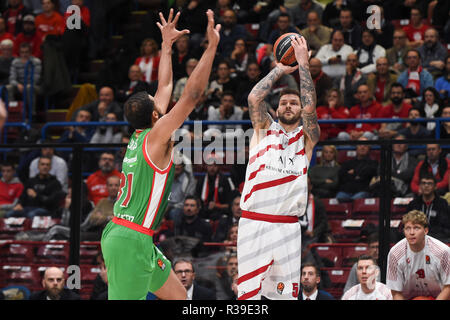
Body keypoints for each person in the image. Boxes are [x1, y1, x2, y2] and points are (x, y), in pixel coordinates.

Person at [101, 9, 220, 300]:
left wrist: (166, 46)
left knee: (181, 299)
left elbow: (165, 85)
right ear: (156, 115)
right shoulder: (156, 136)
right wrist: (212, 47)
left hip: (130, 235)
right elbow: (191, 96)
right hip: (131, 239)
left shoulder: (141, 135)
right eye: (158, 105)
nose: (161, 99)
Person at [237, 35, 319, 300]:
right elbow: (253, 97)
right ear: (277, 107)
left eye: (293, 103)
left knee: (283, 297)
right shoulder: (264, 129)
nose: (288, 105)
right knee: (248, 296)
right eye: (284, 102)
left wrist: (304, 65)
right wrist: (281, 69)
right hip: (253, 222)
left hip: (287, 227)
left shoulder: (307, 138)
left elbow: (310, 106)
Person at [386, 210, 450, 300]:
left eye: (416, 228)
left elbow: (448, 287)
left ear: (426, 230)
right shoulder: (395, 254)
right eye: (408, 228)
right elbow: (396, 293)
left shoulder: (443, 251)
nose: (411, 232)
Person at [43, 175, 119, 241]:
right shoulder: (102, 202)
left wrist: (104, 217)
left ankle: (40, 247)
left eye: (116, 185)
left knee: (57, 230)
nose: (113, 188)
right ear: (107, 187)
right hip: (91, 231)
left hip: (99, 233)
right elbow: (93, 219)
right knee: (58, 235)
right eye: (111, 185)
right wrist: (66, 209)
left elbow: (85, 226)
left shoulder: (89, 205)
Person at [406, 173, 450, 242]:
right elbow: (407, 224)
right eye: (423, 183)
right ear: (420, 186)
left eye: (429, 183)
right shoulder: (413, 204)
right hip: (416, 238)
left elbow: (445, 227)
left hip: (438, 239)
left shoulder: (442, 204)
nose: (426, 186)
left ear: (435, 187)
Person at [336, 137, 379, 202]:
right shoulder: (348, 163)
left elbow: (368, 173)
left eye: (365, 145)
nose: (362, 147)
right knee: (338, 198)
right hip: (346, 191)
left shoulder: (373, 163)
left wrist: (354, 172)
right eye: (360, 145)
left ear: (369, 148)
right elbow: (342, 175)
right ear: (356, 147)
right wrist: (358, 175)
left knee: (356, 199)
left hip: (362, 191)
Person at [195, 153, 233, 220]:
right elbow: (197, 198)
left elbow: (229, 204)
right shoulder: (202, 180)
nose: (212, 168)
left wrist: (217, 206)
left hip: (220, 211)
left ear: (219, 167)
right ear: (206, 166)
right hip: (204, 210)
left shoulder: (224, 180)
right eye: (210, 165)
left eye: (215, 165)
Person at [6, 42, 41, 114]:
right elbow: (12, 79)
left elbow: (36, 78)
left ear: (30, 52)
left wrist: (27, 85)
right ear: (19, 53)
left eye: (26, 52)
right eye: (22, 52)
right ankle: (13, 112)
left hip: (33, 86)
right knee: (8, 88)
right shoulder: (15, 62)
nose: (24, 54)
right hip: (19, 86)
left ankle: (32, 114)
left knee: (29, 88)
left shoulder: (36, 62)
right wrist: (17, 85)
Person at [299, 176, 331, 247]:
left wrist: (314, 232)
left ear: (311, 186)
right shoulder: (296, 203)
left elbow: (323, 222)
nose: (305, 187)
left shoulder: (317, 203)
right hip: (298, 234)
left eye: (307, 185)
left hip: (313, 235)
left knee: (307, 244)